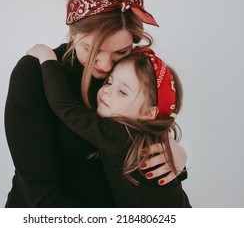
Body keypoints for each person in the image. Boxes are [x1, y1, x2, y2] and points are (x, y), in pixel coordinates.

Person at [4, 0, 187, 207]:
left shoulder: (130, 74)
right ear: (73, 31)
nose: (105, 65)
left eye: (120, 52)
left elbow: (152, 126)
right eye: (91, 50)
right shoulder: (34, 74)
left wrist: (174, 157)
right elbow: (41, 197)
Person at [27, 44, 191, 207]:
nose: (107, 91)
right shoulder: (152, 139)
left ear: (149, 113)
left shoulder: (120, 135)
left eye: (123, 92)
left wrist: (47, 58)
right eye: (109, 82)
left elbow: (66, 107)